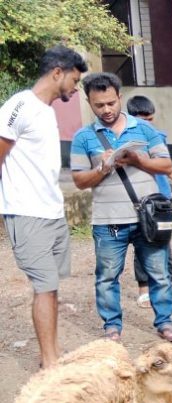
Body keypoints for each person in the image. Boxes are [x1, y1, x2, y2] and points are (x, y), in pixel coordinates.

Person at [70, 72, 172, 343]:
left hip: (148, 216)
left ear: (119, 97)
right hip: (108, 221)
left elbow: (166, 165)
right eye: (99, 105)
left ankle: (165, 323)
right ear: (89, 102)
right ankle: (112, 326)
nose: (107, 110)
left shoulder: (145, 129)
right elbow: (79, 180)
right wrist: (103, 167)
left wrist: (136, 159)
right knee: (107, 276)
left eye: (111, 103)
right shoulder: (83, 137)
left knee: (159, 271)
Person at [0, 46, 88, 368]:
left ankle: (50, 354)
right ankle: (50, 362)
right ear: (57, 73)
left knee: (51, 288)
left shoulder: (46, 110)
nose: (76, 88)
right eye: (74, 80)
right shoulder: (19, 106)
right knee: (45, 286)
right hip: (27, 212)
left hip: (52, 211)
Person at [125, 95, 172, 308]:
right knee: (143, 241)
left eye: (150, 119)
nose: (147, 124)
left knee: (163, 240)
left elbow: (164, 164)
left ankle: (168, 283)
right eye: (142, 119)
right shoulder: (127, 143)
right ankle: (144, 289)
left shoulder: (157, 137)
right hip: (141, 200)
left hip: (161, 200)